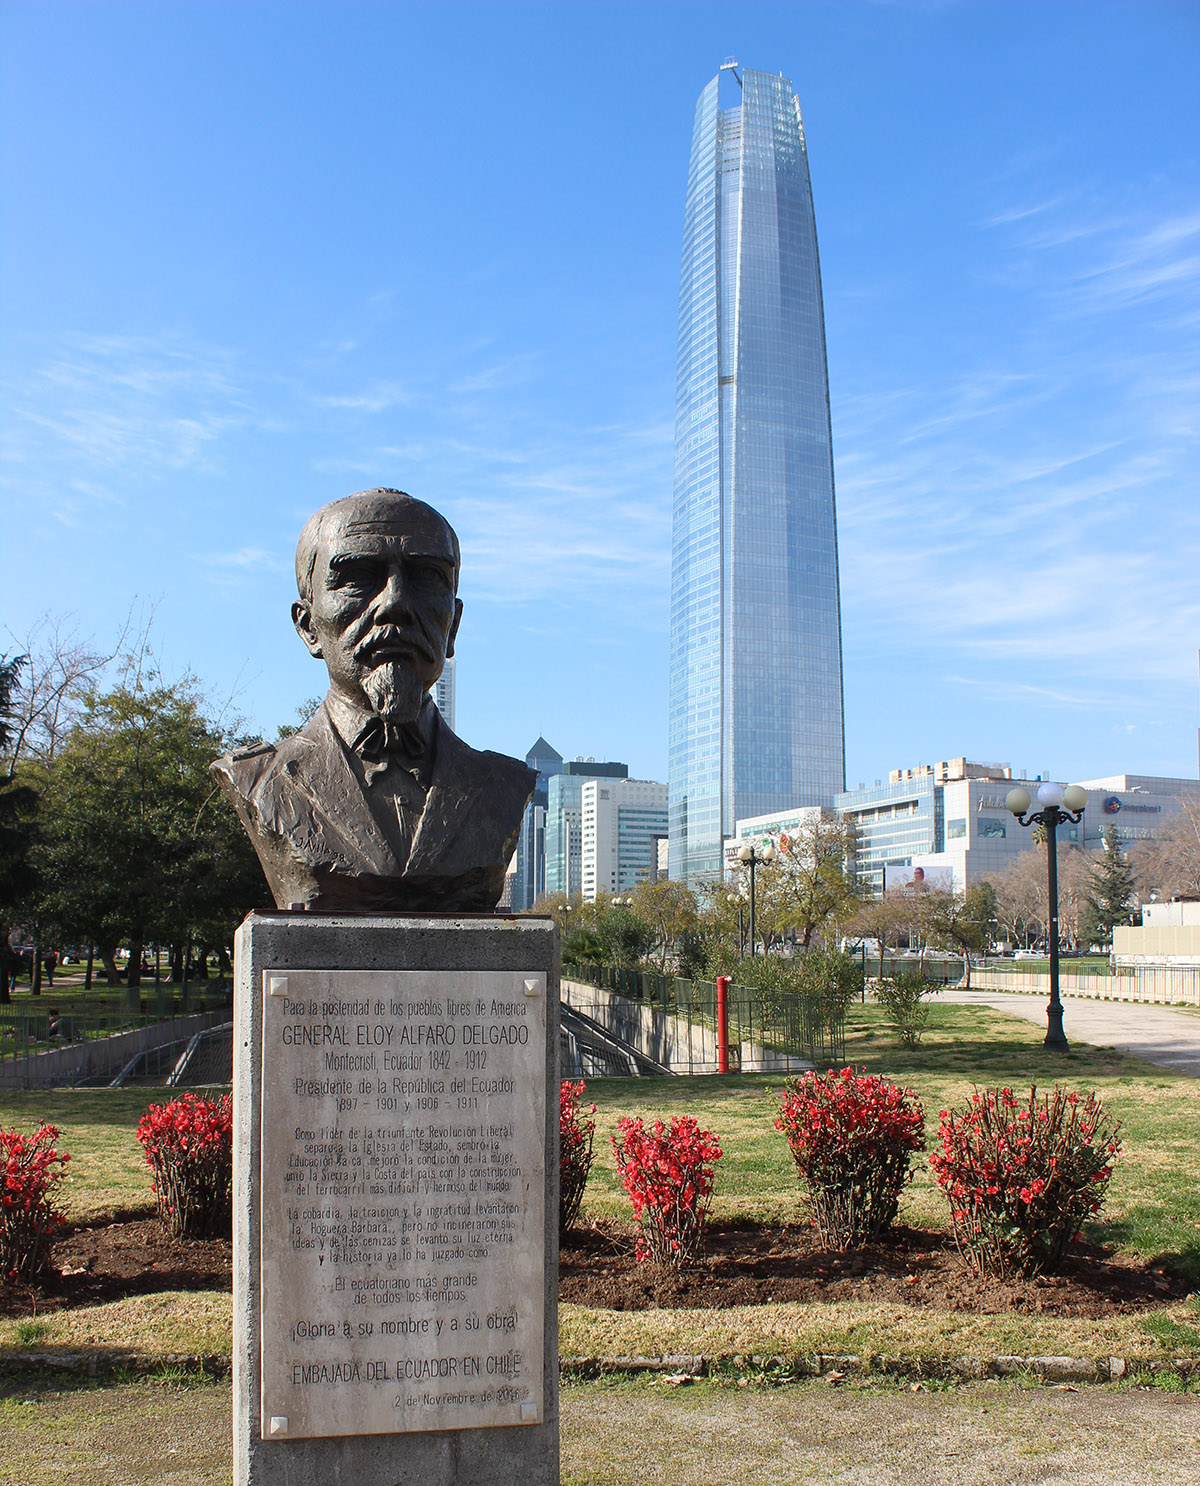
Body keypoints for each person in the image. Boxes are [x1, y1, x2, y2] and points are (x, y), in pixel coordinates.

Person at [211, 489, 535, 912]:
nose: (395, 603)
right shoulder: (258, 779)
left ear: (452, 626)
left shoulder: (504, 786)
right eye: (358, 576)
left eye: (426, 577)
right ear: (308, 626)